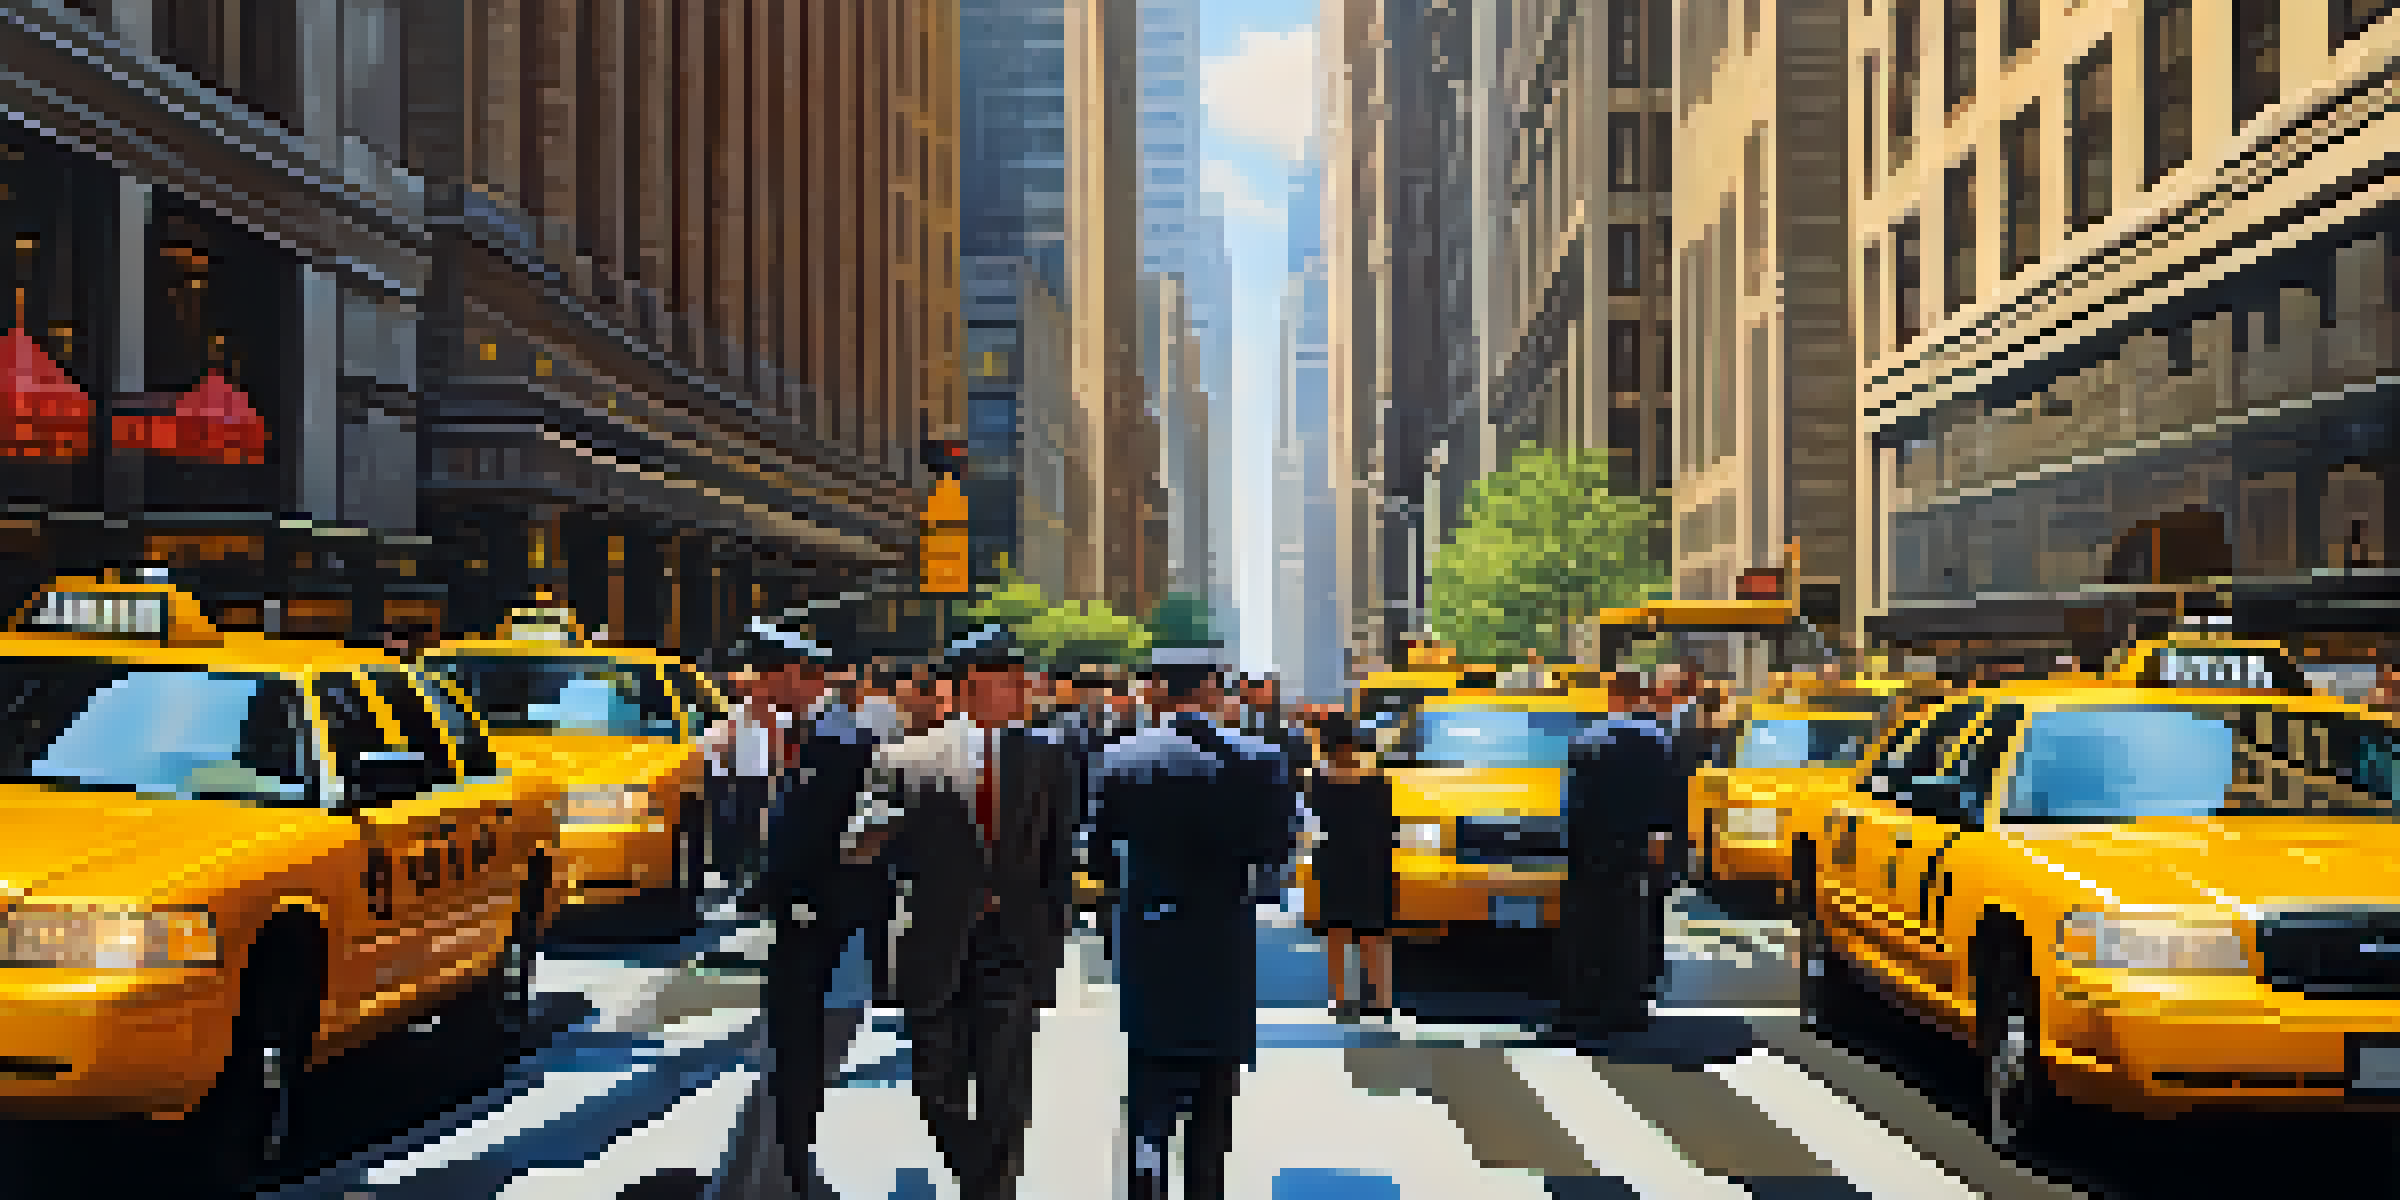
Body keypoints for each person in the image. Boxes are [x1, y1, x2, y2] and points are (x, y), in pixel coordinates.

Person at [840, 627, 1071, 1200]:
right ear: (971, 687)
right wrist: (874, 829)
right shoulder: (907, 757)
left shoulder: (1045, 757)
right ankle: (980, 1176)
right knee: (934, 1085)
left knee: (1005, 1087)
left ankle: (990, 1191)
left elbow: (1057, 859)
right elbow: (857, 839)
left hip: (1012, 946)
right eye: (1008, 682)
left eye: (1023, 681)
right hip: (935, 942)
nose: (1022, 692)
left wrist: (1051, 944)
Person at [1085, 645, 1293, 1200]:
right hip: (1222, 942)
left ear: (1159, 690)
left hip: (1152, 942)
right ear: (1208, 690)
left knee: (1149, 1103)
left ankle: (1146, 1185)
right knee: (1212, 1107)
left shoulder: (1121, 758)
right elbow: (1275, 853)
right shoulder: (1261, 760)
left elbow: (1097, 856)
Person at [755, 640, 896, 1192]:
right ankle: (792, 1144)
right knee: (792, 1032)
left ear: (794, 674)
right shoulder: (807, 732)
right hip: (806, 902)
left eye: (765, 677)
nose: (756, 689)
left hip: (815, 905)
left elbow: (823, 828)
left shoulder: (838, 737)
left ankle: (795, 1152)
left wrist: (787, 887)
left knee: (798, 1032)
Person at [1553, 673, 1682, 1040]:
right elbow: (1668, 801)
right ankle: (1627, 1008)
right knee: (1633, 928)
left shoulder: (1586, 740)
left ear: (1611, 695)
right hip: (1636, 847)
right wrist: (1662, 850)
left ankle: (1579, 1006)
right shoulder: (1658, 741)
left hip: (1591, 846)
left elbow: (1571, 802)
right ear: (1640, 696)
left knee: (1584, 929)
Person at [1305, 715, 1397, 1021]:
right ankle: (1380, 999)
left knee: (1336, 931)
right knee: (1374, 932)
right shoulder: (1377, 778)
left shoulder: (1316, 779)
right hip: (1373, 860)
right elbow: (1390, 825)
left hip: (1333, 859)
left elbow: (1311, 822)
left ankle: (1340, 998)